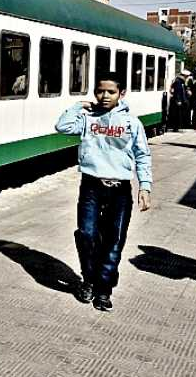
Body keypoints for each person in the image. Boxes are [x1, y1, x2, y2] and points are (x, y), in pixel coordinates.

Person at [56, 71, 152, 312]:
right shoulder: (88, 118)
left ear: (122, 94)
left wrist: (145, 187)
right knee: (86, 234)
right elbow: (62, 126)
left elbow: (142, 155)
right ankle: (89, 279)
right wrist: (79, 106)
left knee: (114, 241)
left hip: (120, 190)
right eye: (100, 91)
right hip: (91, 186)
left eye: (111, 91)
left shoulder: (132, 123)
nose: (105, 96)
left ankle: (103, 290)